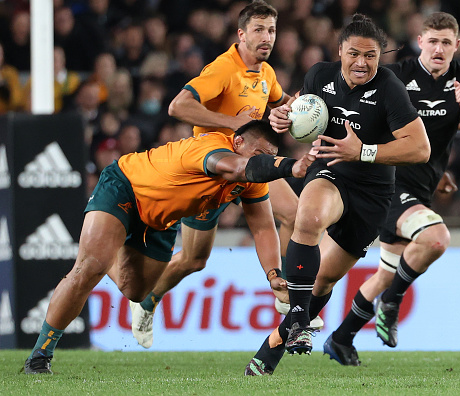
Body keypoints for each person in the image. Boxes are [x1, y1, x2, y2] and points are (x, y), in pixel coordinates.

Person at [22, 120, 315, 374]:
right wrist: (290, 166)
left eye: (270, 158)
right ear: (237, 142)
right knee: (89, 269)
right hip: (126, 186)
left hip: (161, 222)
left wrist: (273, 273)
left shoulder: (254, 181)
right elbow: (237, 166)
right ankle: (39, 356)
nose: (263, 163)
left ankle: (107, 249)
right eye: (260, 155)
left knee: (134, 290)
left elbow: (263, 227)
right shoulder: (212, 148)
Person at [245, 14, 430, 376]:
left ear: (380, 56)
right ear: (340, 52)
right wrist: (283, 115)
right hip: (331, 172)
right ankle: (299, 321)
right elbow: (301, 106)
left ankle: (274, 344)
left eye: (371, 55)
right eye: (354, 54)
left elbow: (420, 148)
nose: (362, 63)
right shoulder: (319, 75)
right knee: (309, 216)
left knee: (325, 280)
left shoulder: (390, 88)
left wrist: (363, 151)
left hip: (373, 193)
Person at [129, 0, 305, 349]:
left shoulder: (266, 74)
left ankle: (289, 296)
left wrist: (301, 106)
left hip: (251, 168)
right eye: (258, 29)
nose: (266, 37)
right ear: (241, 34)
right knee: (194, 260)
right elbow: (178, 106)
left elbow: (282, 102)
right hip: (212, 176)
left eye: (271, 30)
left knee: (297, 214)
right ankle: (148, 301)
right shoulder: (223, 70)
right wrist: (231, 122)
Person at [323, 12, 460, 366]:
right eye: (433, 41)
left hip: (423, 188)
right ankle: (393, 302)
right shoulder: (395, 76)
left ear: (457, 46)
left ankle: (341, 339)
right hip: (387, 183)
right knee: (435, 238)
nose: (439, 49)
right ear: (420, 42)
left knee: (387, 272)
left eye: (447, 42)